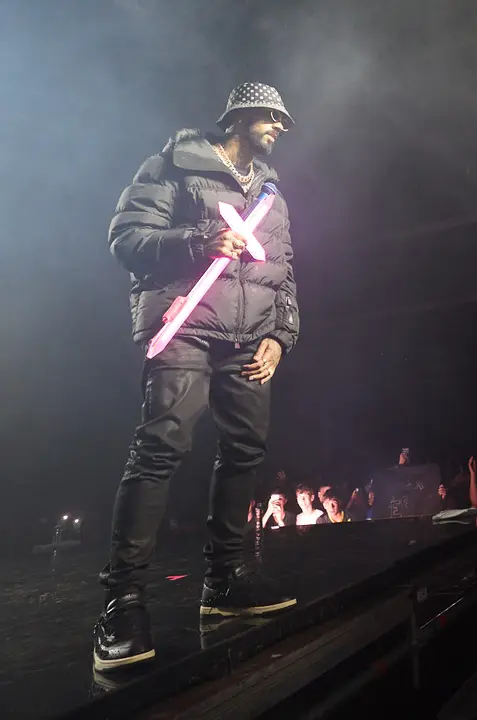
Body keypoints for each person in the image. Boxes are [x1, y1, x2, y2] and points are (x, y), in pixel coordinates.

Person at [95, 82, 299, 672]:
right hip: (185, 324)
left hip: (248, 340)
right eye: (271, 116)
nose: (281, 126)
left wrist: (280, 336)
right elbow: (126, 240)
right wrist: (196, 240)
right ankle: (123, 602)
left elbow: (286, 273)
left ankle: (227, 581)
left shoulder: (273, 195)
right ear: (239, 117)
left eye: (283, 119)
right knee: (161, 448)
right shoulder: (172, 166)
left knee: (246, 450)